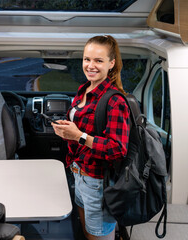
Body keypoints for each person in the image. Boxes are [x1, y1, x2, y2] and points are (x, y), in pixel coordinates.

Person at [52, 35, 130, 240]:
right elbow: (82, 132)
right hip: (78, 173)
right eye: (87, 59)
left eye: (98, 60)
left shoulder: (115, 101)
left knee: (98, 235)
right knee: (86, 232)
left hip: (97, 182)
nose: (90, 65)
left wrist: (78, 136)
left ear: (111, 64)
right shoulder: (84, 89)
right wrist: (67, 132)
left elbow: (117, 149)